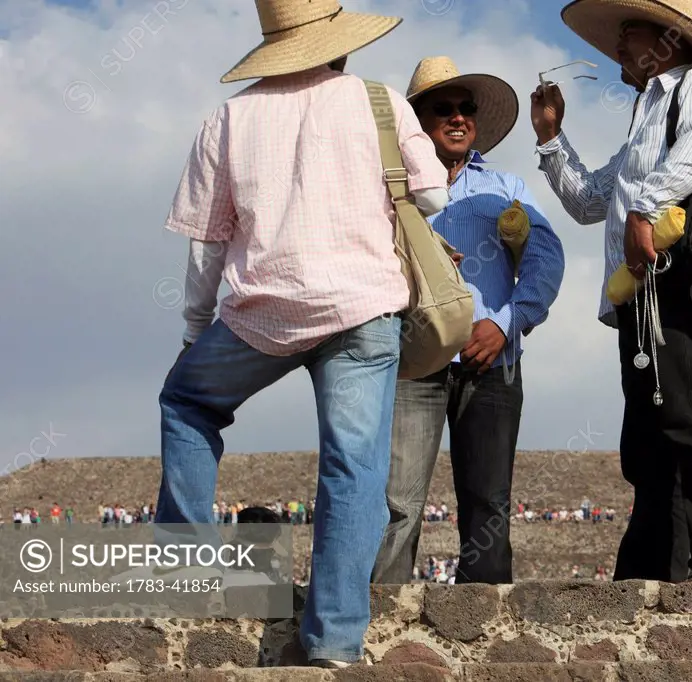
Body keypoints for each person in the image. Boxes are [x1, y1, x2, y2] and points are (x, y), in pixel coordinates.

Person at [154, 0, 449, 668]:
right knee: (353, 468)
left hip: (263, 312)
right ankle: (335, 643)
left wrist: (195, 331)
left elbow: (206, 247)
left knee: (187, 400)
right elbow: (433, 197)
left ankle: (183, 575)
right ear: (341, 43)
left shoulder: (227, 119)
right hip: (363, 306)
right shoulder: (377, 102)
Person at [531, 0, 692, 582]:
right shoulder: (643, 120)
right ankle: (656, 563)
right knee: (650, 432)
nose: (619, 49)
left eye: (629, 35)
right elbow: (588, 200)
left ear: (668, 41)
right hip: (643, 290)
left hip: (685, 278)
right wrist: (552, 139)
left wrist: (646, 209)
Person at [371, 56, 565, 585]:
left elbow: (547, 259)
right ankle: (381, 620)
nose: (458, 118)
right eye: (443, 109)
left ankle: (485, 629)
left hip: (492, 359)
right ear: (417, 121)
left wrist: (507, 321)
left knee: (488, 503)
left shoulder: (507, 186)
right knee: (397, 500)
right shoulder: (391, 190)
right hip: (413, 360)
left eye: (466, 109)